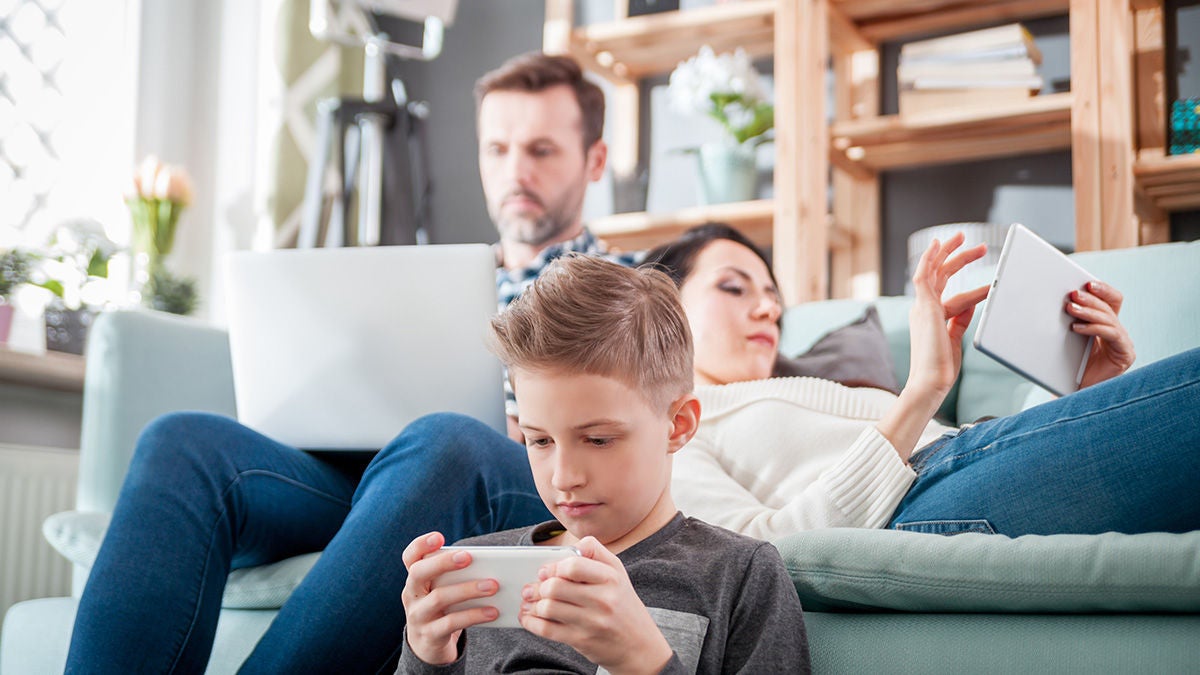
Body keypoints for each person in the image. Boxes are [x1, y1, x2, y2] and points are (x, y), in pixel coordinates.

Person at [66, 52, 634, 674]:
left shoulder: (633, 290)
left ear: (594, 160)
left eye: (541, 150)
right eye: (496, 149)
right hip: (381, 482)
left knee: (445, 439)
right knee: (182, 442)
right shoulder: (427, 281)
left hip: (503, 473)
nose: (515, 170)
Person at [640, 223, 1200, 538]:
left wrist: (1091, 389)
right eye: (735, 289)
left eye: (773, 298)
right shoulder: (674, 430)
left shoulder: (807, 389)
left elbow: (968, 453)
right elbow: (761, 553)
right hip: (913, 504)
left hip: (960, 462)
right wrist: (921, 392)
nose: (767, 309)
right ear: (662, 305)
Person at [398, 254, 809, 673]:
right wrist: (426, 658)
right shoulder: (474, 575)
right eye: (539, 440)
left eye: (598, 439)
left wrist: (643, 660)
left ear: (677, 425)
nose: (563, 477)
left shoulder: (739, 575)